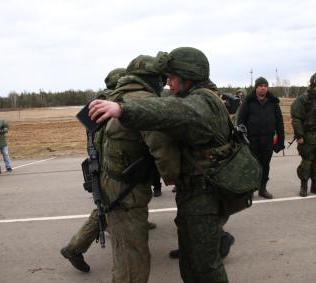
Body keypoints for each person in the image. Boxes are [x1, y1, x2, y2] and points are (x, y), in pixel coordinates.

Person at [89, 47, 233, 283]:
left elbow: (169, 110)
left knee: (204, 266)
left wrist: (123, 108)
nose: (168, 83)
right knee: (192, 263)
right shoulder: (194, 97)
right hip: (195, 194)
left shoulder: (202, 102)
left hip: (204, 193)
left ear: (188, 76)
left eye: (172, 76)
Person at [88, 56, 179, 282]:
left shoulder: (115, 97)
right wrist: (177, 179)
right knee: (133, 258)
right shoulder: (146, 103)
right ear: (154, 79)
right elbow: (162, 149)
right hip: (127, 191)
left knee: (123, 250)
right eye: (162, 79)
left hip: (110, 182)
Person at [60, 68, 127, 273]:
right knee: (107, 206)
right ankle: (74, 248)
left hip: (98, 161)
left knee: (110, 204)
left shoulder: (95, 103)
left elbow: (91, 135)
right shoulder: (115, 103)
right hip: (112, 165)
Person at [238, 77, 285, 199]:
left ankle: (262, 189)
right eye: (261, 85)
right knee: (251, 166)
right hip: (251, 141)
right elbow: (241, 120)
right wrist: (242, 138)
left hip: (267, 140)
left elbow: (279, 122)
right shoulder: (248, 101)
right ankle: (249, 190)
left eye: (265, 85)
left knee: (265, 165)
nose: (263, 87)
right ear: (256, 87)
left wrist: (280, 141)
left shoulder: (273, 102)